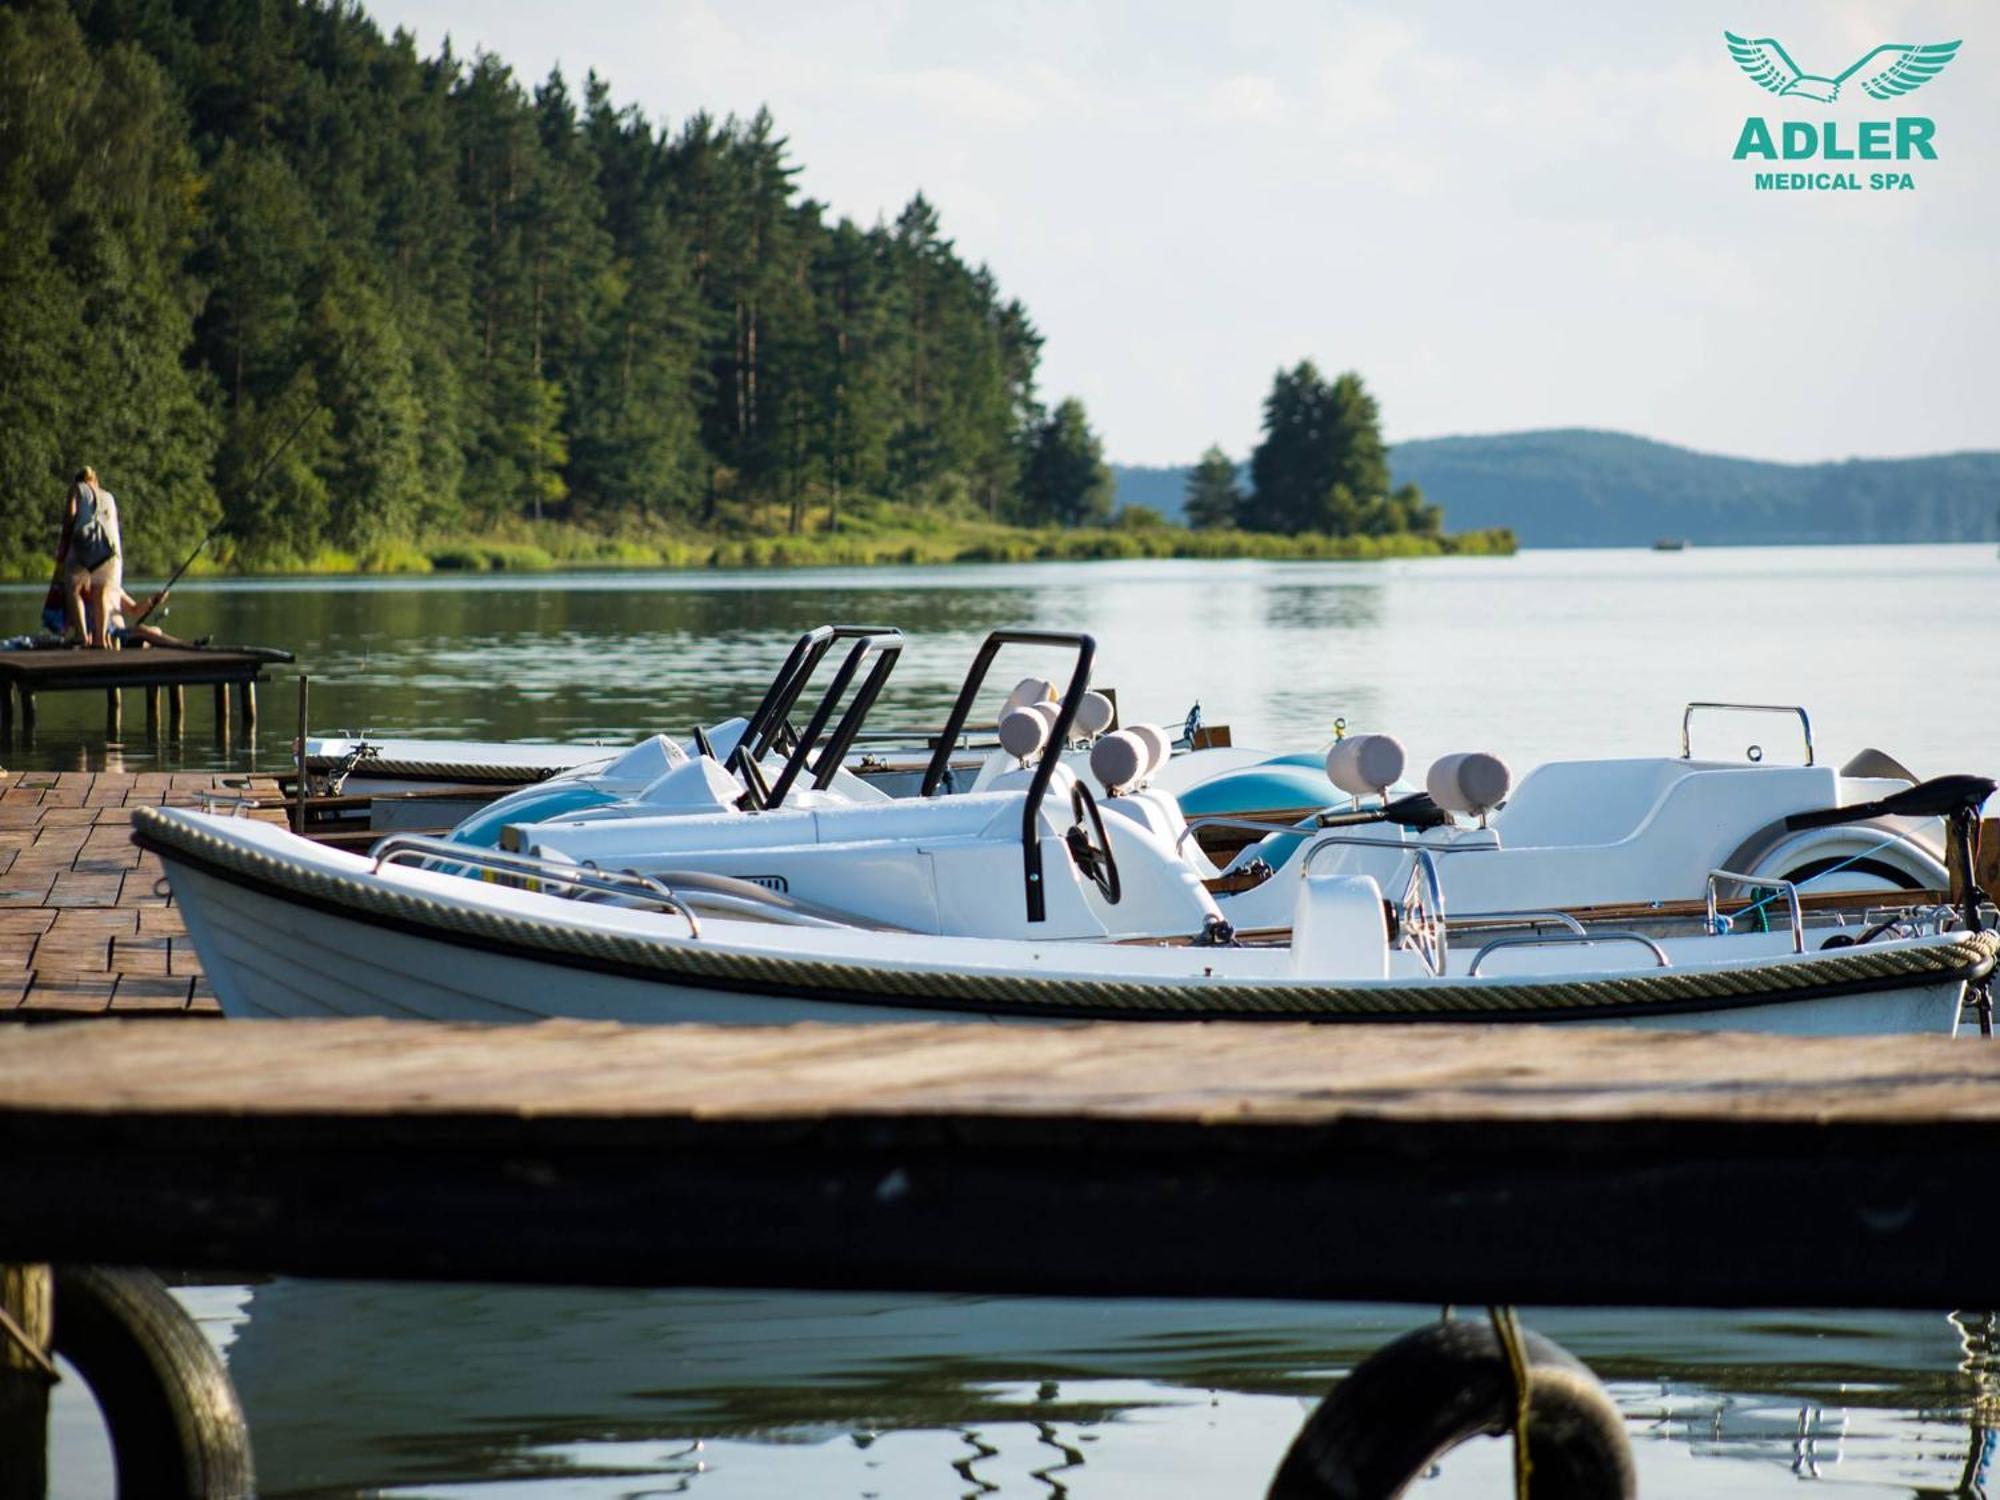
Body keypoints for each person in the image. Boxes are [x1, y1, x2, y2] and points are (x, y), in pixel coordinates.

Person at [58, 466, 122, 648]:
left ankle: (82, 635)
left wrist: (66, 538)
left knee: (73, 587)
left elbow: (70, 517)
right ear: (96, 480)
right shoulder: (108, 496)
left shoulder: (77, 489)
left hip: (87, 546)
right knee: (100, 591)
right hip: (110, 551)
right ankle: (100, 639)